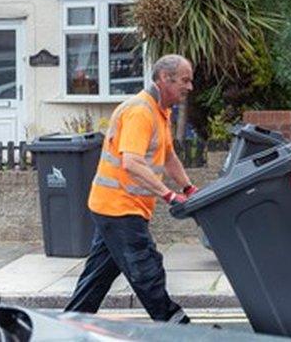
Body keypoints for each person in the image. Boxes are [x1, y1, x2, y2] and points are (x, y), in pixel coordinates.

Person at [64, 54, 198, 323]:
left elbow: (169, 156)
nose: (190, 87)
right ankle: (179, 329)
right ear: (164, 79)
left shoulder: (161, 111)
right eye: (185, 80)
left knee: (97, 277)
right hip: (120, 208)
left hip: (115, 206)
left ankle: (68, 326)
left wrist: (188, 187)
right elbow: (131, 162)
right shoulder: (140, 111)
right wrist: (169, 194)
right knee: (146, 270)